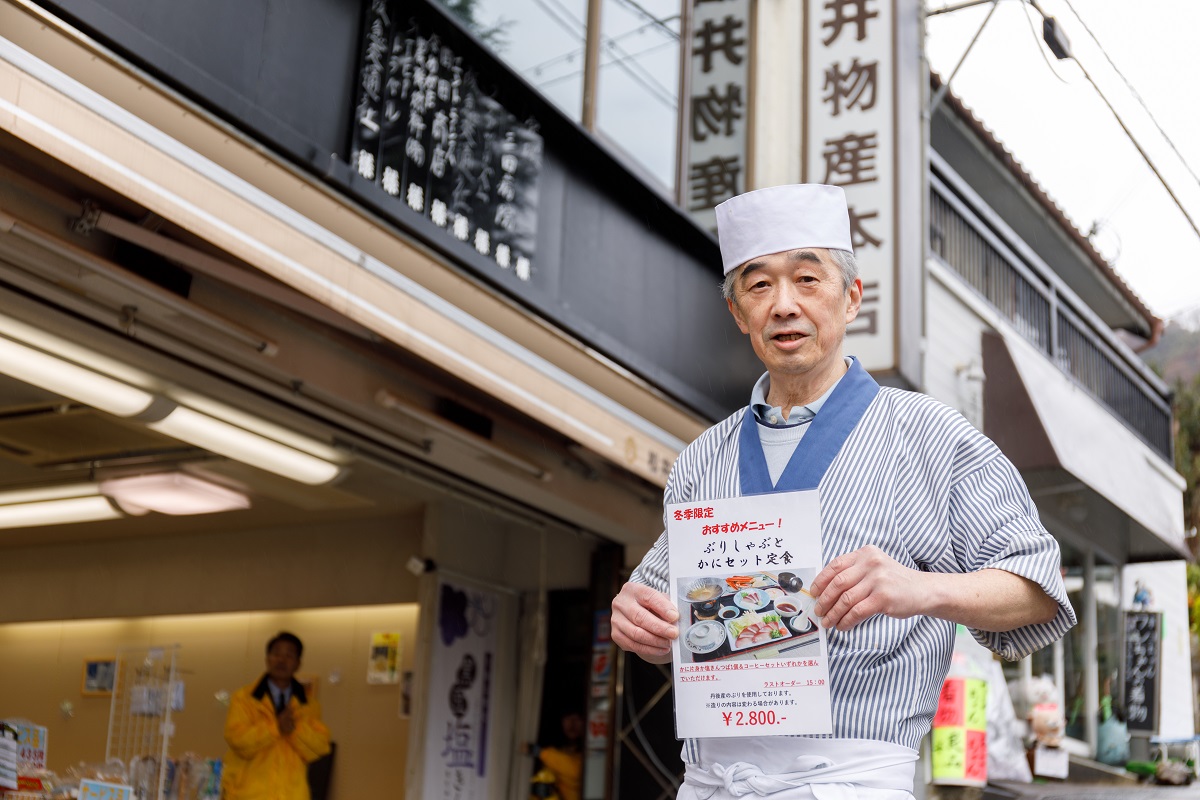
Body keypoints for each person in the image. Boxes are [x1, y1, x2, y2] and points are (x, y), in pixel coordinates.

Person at [610, 184, 1077, 799]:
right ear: (738, 313)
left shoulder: (929, 435)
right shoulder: (704, 458)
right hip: (713, 780)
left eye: (808, 279)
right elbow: (661, 611)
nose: (783, 305)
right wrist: (636, 619)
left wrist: (922, 588)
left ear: (851, 297)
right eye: (758, 286)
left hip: (852, 778)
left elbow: (1038, 588)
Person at [221, 632, 331, 800]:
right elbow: (237, 740)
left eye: (289, 655)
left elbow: (319, 747)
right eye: (276, 654)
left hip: (292, 794)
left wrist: (294, 730)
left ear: (298, 663)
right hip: (248, 794)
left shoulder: (309, 705)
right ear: (267, 659)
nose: (281, 660)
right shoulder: (244, 699)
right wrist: (275, 728)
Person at [529, 710, 585, 800]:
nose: (572, 724)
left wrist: (540, 752)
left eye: (576, 719)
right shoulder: (562, 749)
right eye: (568, 718)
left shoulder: (582, 760)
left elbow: (574, 771)